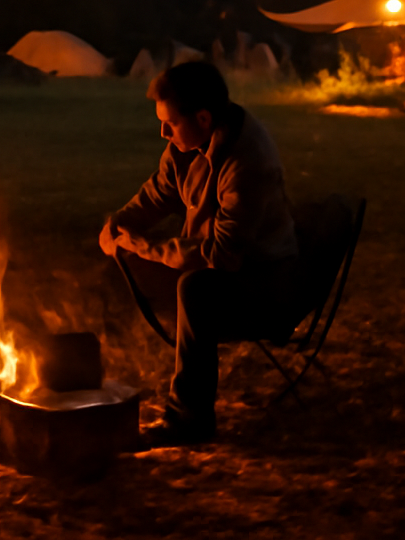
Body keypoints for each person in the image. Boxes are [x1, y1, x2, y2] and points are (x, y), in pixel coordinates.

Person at [99, 61, 298, 446]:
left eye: (170, 124)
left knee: (196, 289)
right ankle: (100, 386)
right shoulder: (187, 145)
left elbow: (222, 256)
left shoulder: (247, 161)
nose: (162, 132)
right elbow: (160, 192)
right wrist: (119, 224)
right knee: (123, 263)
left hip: (267, 282)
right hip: (229, 270)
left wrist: (142, 246)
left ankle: (189, 421)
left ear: (203, 118)